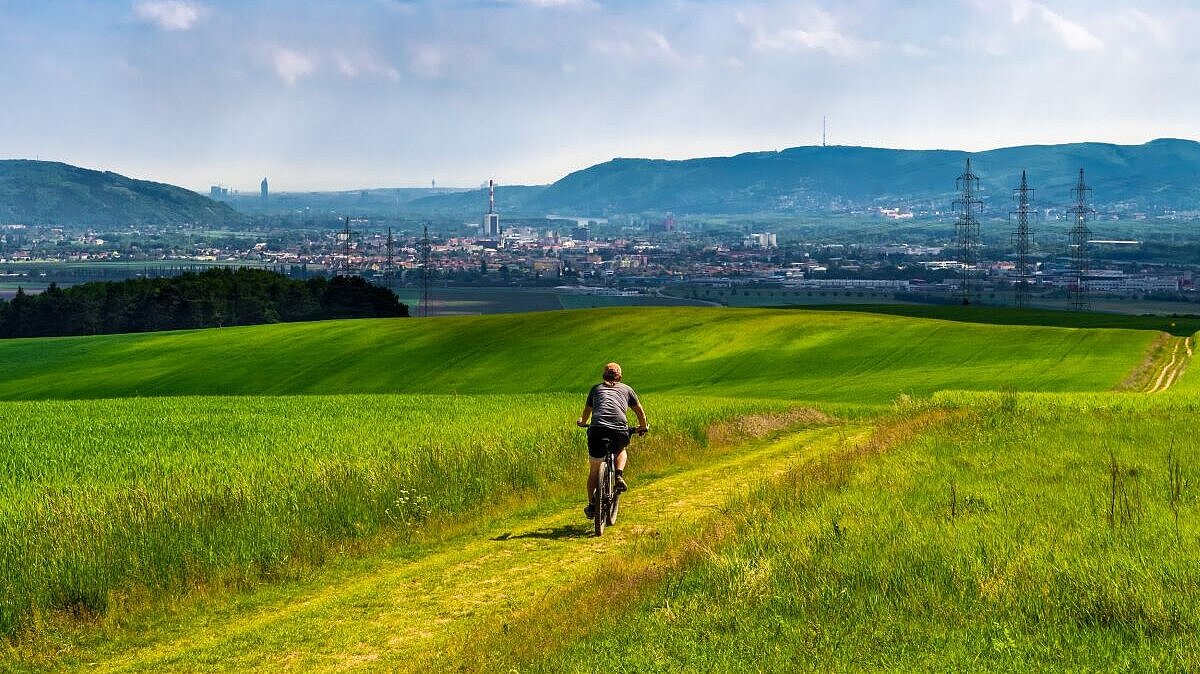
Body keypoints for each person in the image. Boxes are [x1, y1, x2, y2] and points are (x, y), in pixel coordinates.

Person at [576, 362, 648, 520]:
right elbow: (640, 412)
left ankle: (592, 505)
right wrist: (643, 427)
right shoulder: (627, 389)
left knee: (594, 470)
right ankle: (619, 476)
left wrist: (582, 422)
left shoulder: (596, 389)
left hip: (596, 430)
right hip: (618, 431)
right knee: (621, 450)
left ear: (603, 376)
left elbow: (586, 412)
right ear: (620, 377)